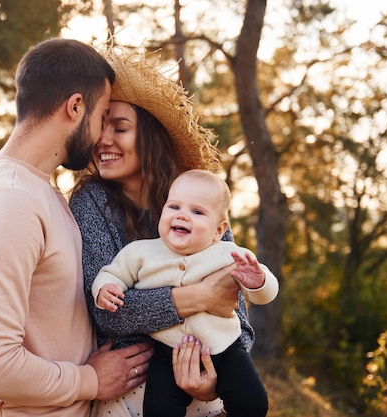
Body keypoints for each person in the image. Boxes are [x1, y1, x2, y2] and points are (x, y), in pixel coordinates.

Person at [0, 38, 154, 417]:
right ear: (76, 106)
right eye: (101, 114)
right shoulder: (8, 203)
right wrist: (89, 381)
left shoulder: (39, 192)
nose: (99, 135)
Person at [69, 44, 256, 417]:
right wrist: (201, 295)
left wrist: (212, 385)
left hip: (204, 389)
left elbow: (237, 318)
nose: (103, 140)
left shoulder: (200, 202)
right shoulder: (91, 202)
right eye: (99, 125)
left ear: (150, 136)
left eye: (119, 127)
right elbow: (110, 313)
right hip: (129, 396)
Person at [93, 169, 279, 417]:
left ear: (218, 230)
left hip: (225, 349)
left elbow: (261, 296)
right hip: (167, 352)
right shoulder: (140, 252)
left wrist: (259, 282)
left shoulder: (228, 254)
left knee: (252, 404)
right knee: (159, 410)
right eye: (174, 207)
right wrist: (105, 289)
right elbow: (111, 273)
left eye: (197, 212)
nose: (182, 216)